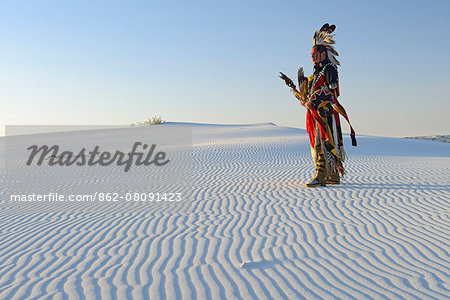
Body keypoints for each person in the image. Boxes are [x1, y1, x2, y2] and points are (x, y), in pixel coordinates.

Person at [282, 23, 356, 187]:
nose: (312, 56)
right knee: (322, 141)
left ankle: (320, 175)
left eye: (315, 53)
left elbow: (333, 92)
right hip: (316, 113)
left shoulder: (329, 69)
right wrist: (300, 94)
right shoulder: (315, 74)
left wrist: (319, 99)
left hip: (325, 113)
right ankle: (333, 175)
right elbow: (309, 94)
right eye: (311, 54)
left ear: (324, 54)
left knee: (321, 141)